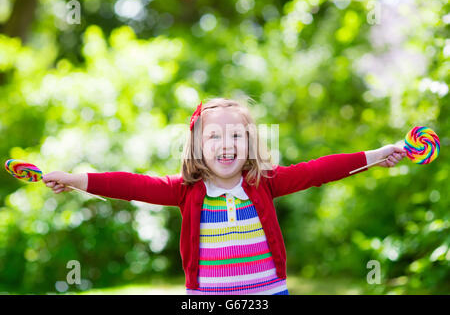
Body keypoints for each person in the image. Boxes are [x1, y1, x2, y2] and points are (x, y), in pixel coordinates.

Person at [42, 97, 407, 295]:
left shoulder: (265, 182)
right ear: (197, 146)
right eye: (214, 137)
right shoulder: (184, 192)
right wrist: (75, 179)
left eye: (236, 136)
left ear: (249, 144)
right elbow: (129, 184)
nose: (226, 145)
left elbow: (318, 171)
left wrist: (375, 157)